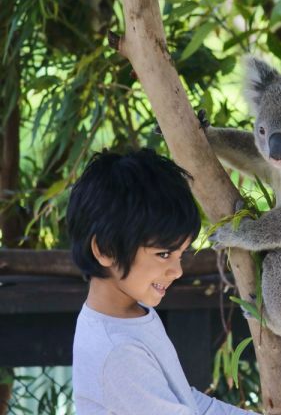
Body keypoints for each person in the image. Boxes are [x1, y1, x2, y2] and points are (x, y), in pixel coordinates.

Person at [68, 149, 256, 414]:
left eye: (180, 254)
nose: (177, 271)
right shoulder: (118, 351)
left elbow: (185, 400)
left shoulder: (133, 315)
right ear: (106, 249)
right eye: (164, 254)